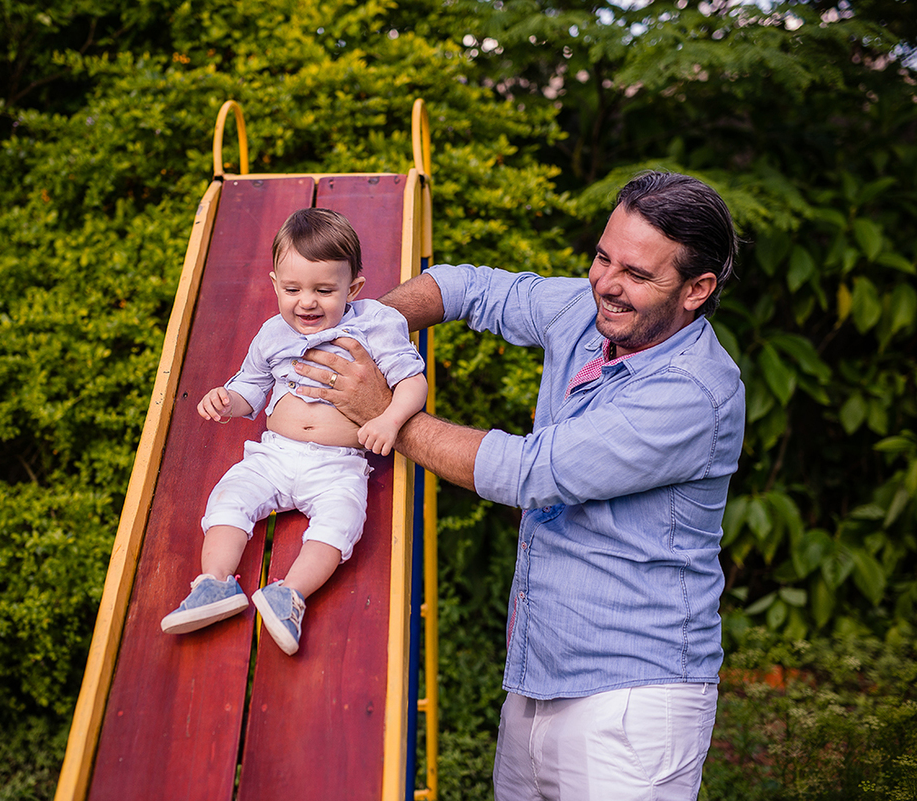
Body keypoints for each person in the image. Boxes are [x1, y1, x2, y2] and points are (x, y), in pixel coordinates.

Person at [295, 172, 745, 798]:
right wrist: (359, 332)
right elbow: (467, 287)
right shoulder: (587, 313)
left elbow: (529, 473)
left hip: (635, 701)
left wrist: (387, 410)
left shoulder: (693, 392)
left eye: (637, 275)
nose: (607, 285)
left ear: (698, 289)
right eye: (602, 257)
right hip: (538, 677)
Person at [160, 207, 428, 656]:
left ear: (353, 288)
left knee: (342, 523)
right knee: (230, 497)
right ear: (274, 285)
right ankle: (215, 584)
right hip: (275, 454)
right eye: (292, 289)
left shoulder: (374, 325)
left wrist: (389, 419)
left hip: (338, 464)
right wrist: (228, 401)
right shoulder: (271, 333)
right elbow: (250, 386)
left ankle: (290, 594)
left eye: (324, 290)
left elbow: (412, 381)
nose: (307, 302)